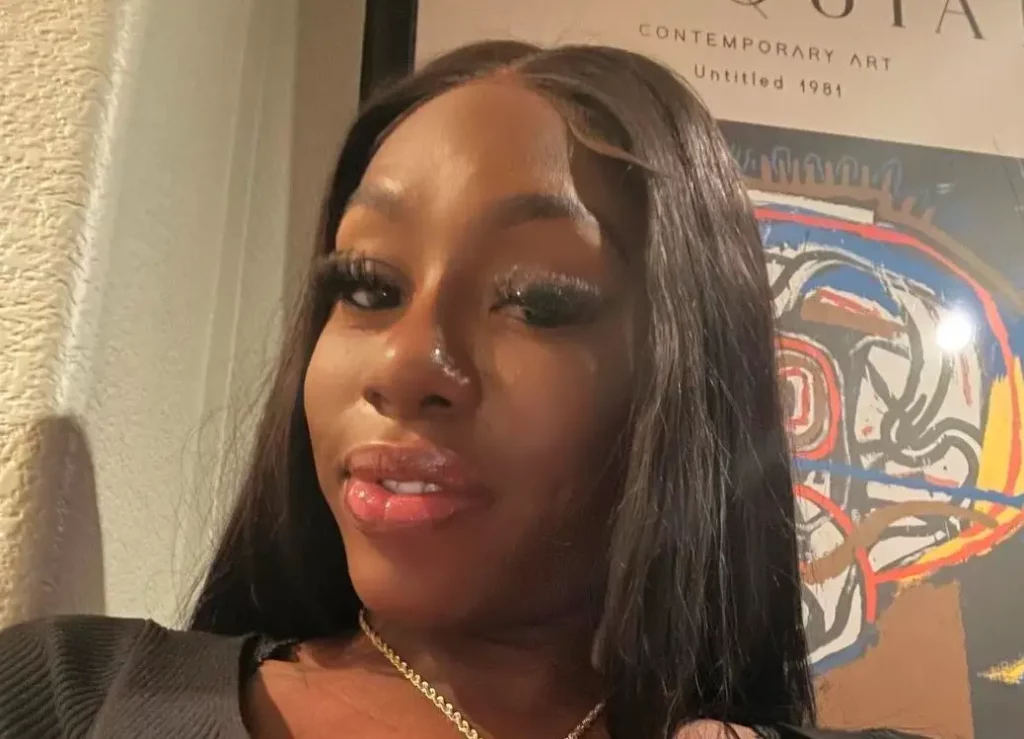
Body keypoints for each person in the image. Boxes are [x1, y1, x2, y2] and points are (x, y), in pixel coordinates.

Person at [0, 41, 927, 739]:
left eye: (535, 300)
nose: (404, 364)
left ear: (685, 376)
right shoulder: (65, 695)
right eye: (369, 287)